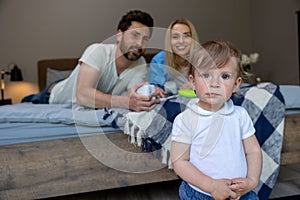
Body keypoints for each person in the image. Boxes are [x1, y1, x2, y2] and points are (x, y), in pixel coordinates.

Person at [170, 40, 262, 200]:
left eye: (225, 76)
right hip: (200, 193)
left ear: (236, 84)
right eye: (205, 75)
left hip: (240, 193)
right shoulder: (186, 119)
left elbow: (253, 151)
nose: (214, 83)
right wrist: (211, 185)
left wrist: (252, 181)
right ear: (192, 82)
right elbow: (179, 162)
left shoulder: (240, 115)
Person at [48, 10, 160, 112]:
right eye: (135, 35)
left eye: (145, 39)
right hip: (53, 97)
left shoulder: (140, 63)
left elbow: (134, 96)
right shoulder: (97, 51)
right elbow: (83, 95)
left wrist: (148, 95)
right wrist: (127, 102)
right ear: (119, 35)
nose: (139, 44)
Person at [148, 19, 199, 97]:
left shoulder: (203, 60)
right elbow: (155, 89)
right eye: (175, 37)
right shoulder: (159, 61)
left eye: (186, 36)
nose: (181, 41)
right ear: (169, 40)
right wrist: (157, 90)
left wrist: (197, 87)